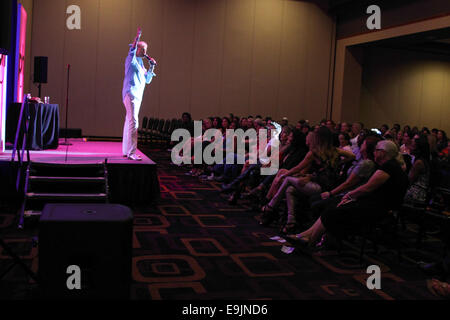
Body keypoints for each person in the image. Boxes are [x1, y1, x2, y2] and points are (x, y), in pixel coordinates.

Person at [290, 140, 408, 247]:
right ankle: (305, 236)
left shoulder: (388, 167)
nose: (374, 153)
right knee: (333, 206)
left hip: (378, 209)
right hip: (377, 204)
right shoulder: (391, 165)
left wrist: (349, 196)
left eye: (376, 150)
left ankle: (310, 241)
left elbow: (367, 188)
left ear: (382, 152)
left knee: (334, 209)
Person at [122, 27, 156, 160]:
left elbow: (147, 80)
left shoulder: (141, 64)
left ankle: (126, 151)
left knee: (129, 121)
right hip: (130, 93)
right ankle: (131, 153)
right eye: (143, 49)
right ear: (138, 49)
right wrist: (137, 37)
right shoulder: (131, 59)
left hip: (137, 96)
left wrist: (152, 66)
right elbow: (133, 49)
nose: (145, 52)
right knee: (134, 122)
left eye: (146, 50)